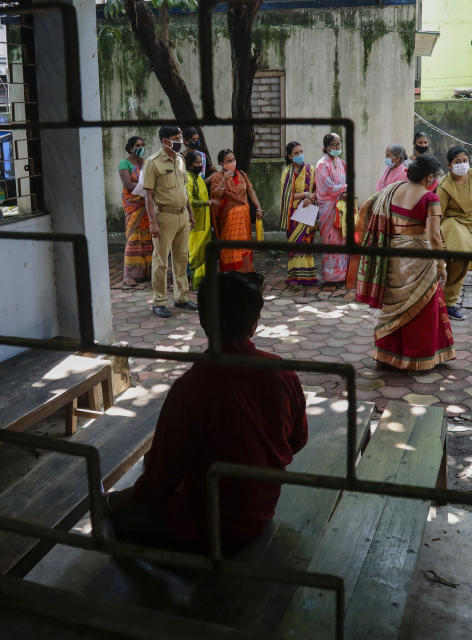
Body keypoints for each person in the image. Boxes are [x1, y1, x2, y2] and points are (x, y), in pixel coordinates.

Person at [103, 272, 308, 554]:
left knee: (118, 520)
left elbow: (155, 488)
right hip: (261, 511)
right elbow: (296, 441)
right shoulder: (281, 371)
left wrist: (110, 502)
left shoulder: (191, 387)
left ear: (203, 322)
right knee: (157, 461)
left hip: (205, 528)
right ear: (254, 325)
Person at [356, 155, 455, 371]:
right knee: (422, 308)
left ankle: (387, 355)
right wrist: (441, 265)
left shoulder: (394, 189)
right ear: (429, 177)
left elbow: (366, 207)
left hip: (393, 257)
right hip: (420, 260)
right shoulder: (430, 199)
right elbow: (434, 237)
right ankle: (417, 360)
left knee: (392, 304)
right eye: (435, 177)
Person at [142, 125, 198, 318]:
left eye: (180, 136)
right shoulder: (152, 162)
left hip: (182, 215)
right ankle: (159, 301)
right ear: (165, 141)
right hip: (163, 217)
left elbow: (184, 191)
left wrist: (190, 213)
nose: (180, 140)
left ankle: (182, 297)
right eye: (176, 137)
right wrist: (152, 222)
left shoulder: (180, 159)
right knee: (161, 260)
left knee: (182, 258)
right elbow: (148, 196)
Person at [436, 146, 472, 320]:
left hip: (470, 226)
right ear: (449, 165)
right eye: (457, 162)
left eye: (464, 161)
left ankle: (447, 301)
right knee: (460, 256)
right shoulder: (444, 186)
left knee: (461, 264)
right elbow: (439, 215)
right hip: (451, 224)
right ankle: (445, 303)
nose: (462, 164)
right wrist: (435, 238)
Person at [208, 149, 263, 273]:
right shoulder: (217, 177)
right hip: (228, 219)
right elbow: (215, 195)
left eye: (233, 159)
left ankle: (246, 274)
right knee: (230, 247)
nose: (233, 162)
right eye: (229, 161)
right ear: (222, 164)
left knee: (244, 245)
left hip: (244, 217)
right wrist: (223, 180)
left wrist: (258, 207)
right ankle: (231, 276)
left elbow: (250, 191)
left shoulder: (242, 174)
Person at [280, 141, 318, 286]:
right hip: (293, 214)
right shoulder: (286, 173)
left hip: (308, 212)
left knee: (306, 242)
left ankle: (308, 276)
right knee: (295, 243)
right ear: (290, 156)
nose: (300, 155)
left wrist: (311, 196)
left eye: (301, 151)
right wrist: (305, 195)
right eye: (296, 153)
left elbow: (317, 190)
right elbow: (287, 196)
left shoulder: (311, 170)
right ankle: (295, 276)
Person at [117, 135, 152, 287]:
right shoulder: (124, 163)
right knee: (133, 238)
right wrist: (146, 189)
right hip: (133, 204)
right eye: (137, 145)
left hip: (146, 203)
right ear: (130, 148)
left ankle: (147, 273)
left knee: (147, 237)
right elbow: (128, 184)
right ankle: (128, 275)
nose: (140, 148)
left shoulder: (145, 163)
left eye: (142, 145)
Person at [315, 133, 350, 283]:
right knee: (331, 240)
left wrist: (346, 191)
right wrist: (346, 189)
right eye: (335, 144)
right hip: (328, 208)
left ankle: (343, 274)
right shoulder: (322, 164)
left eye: (339, 143)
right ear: (327, 147)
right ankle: (330, 275)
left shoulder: (341, 163)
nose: (338, 147)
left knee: (342, 238)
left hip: (341, 208)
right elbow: (327, 188)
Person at [185, 151, 211, 291]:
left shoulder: (199, 178)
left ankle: (201, 284)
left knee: (203, 254)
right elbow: (188, 199)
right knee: (194, 255)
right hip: (193, 223)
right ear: (189, 165)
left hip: (204, 223)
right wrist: (207, 203)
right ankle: (194, 285)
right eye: (197, 162)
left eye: (201, 162)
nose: (200, 165)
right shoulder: (188, 179)